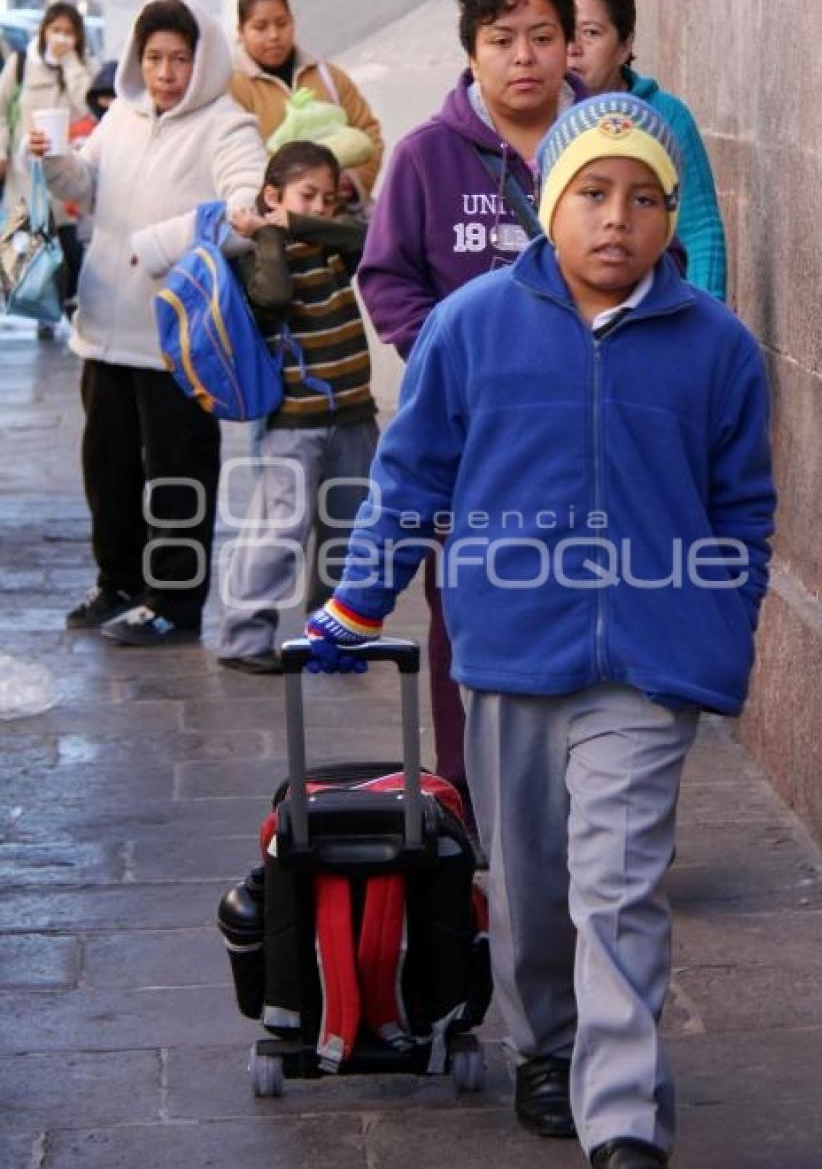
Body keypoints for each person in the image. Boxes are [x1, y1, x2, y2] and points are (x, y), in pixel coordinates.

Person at [305, 94, 775, 1166]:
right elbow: (410, 476)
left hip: (650, 665)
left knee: (617, 884)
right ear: (547, 204)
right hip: (511, 649)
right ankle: (545, 1042)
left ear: (670, 216)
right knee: (527, 881)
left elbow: (741, 507)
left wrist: (724, 618)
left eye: (644, 198)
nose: (618, 219)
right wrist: (357, 599)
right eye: (593, 194)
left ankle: (619, 1122)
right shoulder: (471, 326)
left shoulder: (717, 349)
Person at [357, 0, 586, 819]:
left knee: (601, 597)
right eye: (502, 39)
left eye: (542, 36)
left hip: (592, 431)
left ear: (571, 44)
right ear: (473, 50)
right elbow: (387, 278)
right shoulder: (426, 157)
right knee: (467, 613)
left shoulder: (612, 141)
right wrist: (451, 367)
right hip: (474, 443)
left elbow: (661, 256)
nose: (523, 55)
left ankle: (598, 809)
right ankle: (472, 810)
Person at [27, 0, 267, 646]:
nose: (165, 72)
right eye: (155, 57)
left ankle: (176, 601)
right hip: (104, 329)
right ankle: (119, 580)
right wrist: (52, 159)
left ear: (203, 59)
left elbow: (248, 212)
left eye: (180, 58)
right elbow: (84, 189)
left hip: (177, 340)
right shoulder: (122, 118)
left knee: (178, 473)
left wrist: (166, 242)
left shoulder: (227, 124)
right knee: (107, 468)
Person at [217, 140, 378, 674]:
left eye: (327, 199)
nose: (319, 208)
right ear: (272, 195)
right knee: (277, 530)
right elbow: (274, 297)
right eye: (306, 196)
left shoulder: (333, 244)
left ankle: (330, 632)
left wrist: (300, 222)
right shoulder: (260, 250)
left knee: (346, 529)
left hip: (353, 413)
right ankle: (244, 637)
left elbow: (366, 237)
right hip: (294, 421)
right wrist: (269, 231)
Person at [568, 0, 727, 300]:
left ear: (625, 45)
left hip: (652, 308)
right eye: (563, 33)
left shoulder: (665, 116)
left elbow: (700, 232)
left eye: (591, 33)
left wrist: (700, 325)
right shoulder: (540, 117)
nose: (574, 48)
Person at [230, 0, 383, 212]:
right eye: (260, 27)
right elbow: (236, 159)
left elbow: (369, 135)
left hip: (341, 217)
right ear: (240, 32)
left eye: (282, 24)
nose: (274, 35)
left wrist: (351, 181)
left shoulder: (329, 77)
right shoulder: (233, 88)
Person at [0, 2, 98, 333]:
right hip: (27, 171)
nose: (61, 37)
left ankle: (69, 303)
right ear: (43, 31)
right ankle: (42, 308)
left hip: (70, 167)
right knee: (32, 241)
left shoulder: (84, 66)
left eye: (69, 32)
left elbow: (88, 103)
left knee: (69, 244)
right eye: (56, 30)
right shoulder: (22, 64)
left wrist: (70, 61)